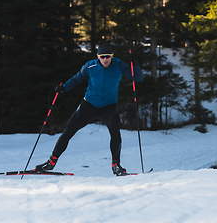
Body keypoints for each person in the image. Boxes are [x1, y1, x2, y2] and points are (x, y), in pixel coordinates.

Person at [35, 43, 143, 176]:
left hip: (109, 107)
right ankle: (51, 162)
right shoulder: (90, 66)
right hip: (89, 105)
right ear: (98, 56)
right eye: (102, 56)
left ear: (112, 56)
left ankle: (116, 165)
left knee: (115, 134)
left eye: (108, 56)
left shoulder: (119, 65)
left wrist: (135, 64)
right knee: (68, 131)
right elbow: (76, 79)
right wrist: (64, 88)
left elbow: (138, 78)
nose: (105, 59)